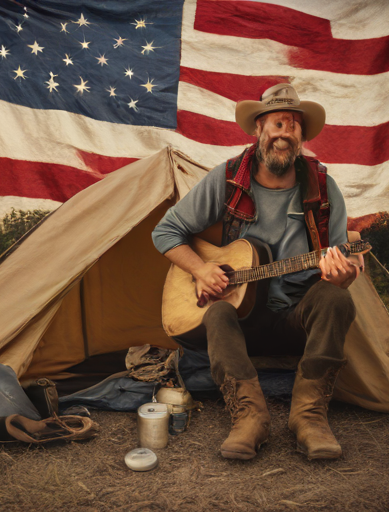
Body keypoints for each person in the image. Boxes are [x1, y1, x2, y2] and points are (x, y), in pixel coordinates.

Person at [152, 83, 361, 461]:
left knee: (336, 298)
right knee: (216, 311)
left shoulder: (324, 188)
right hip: (243, 325)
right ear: (258, 129)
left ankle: (309, 416)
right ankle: (250, 417)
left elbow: (341, 263)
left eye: (294, 125)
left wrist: (343, 274)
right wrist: (201, 270)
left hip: (297, 318)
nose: (285, 132)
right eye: (277, 123)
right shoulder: (229, 178)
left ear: (302, 136)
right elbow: (165, 231)